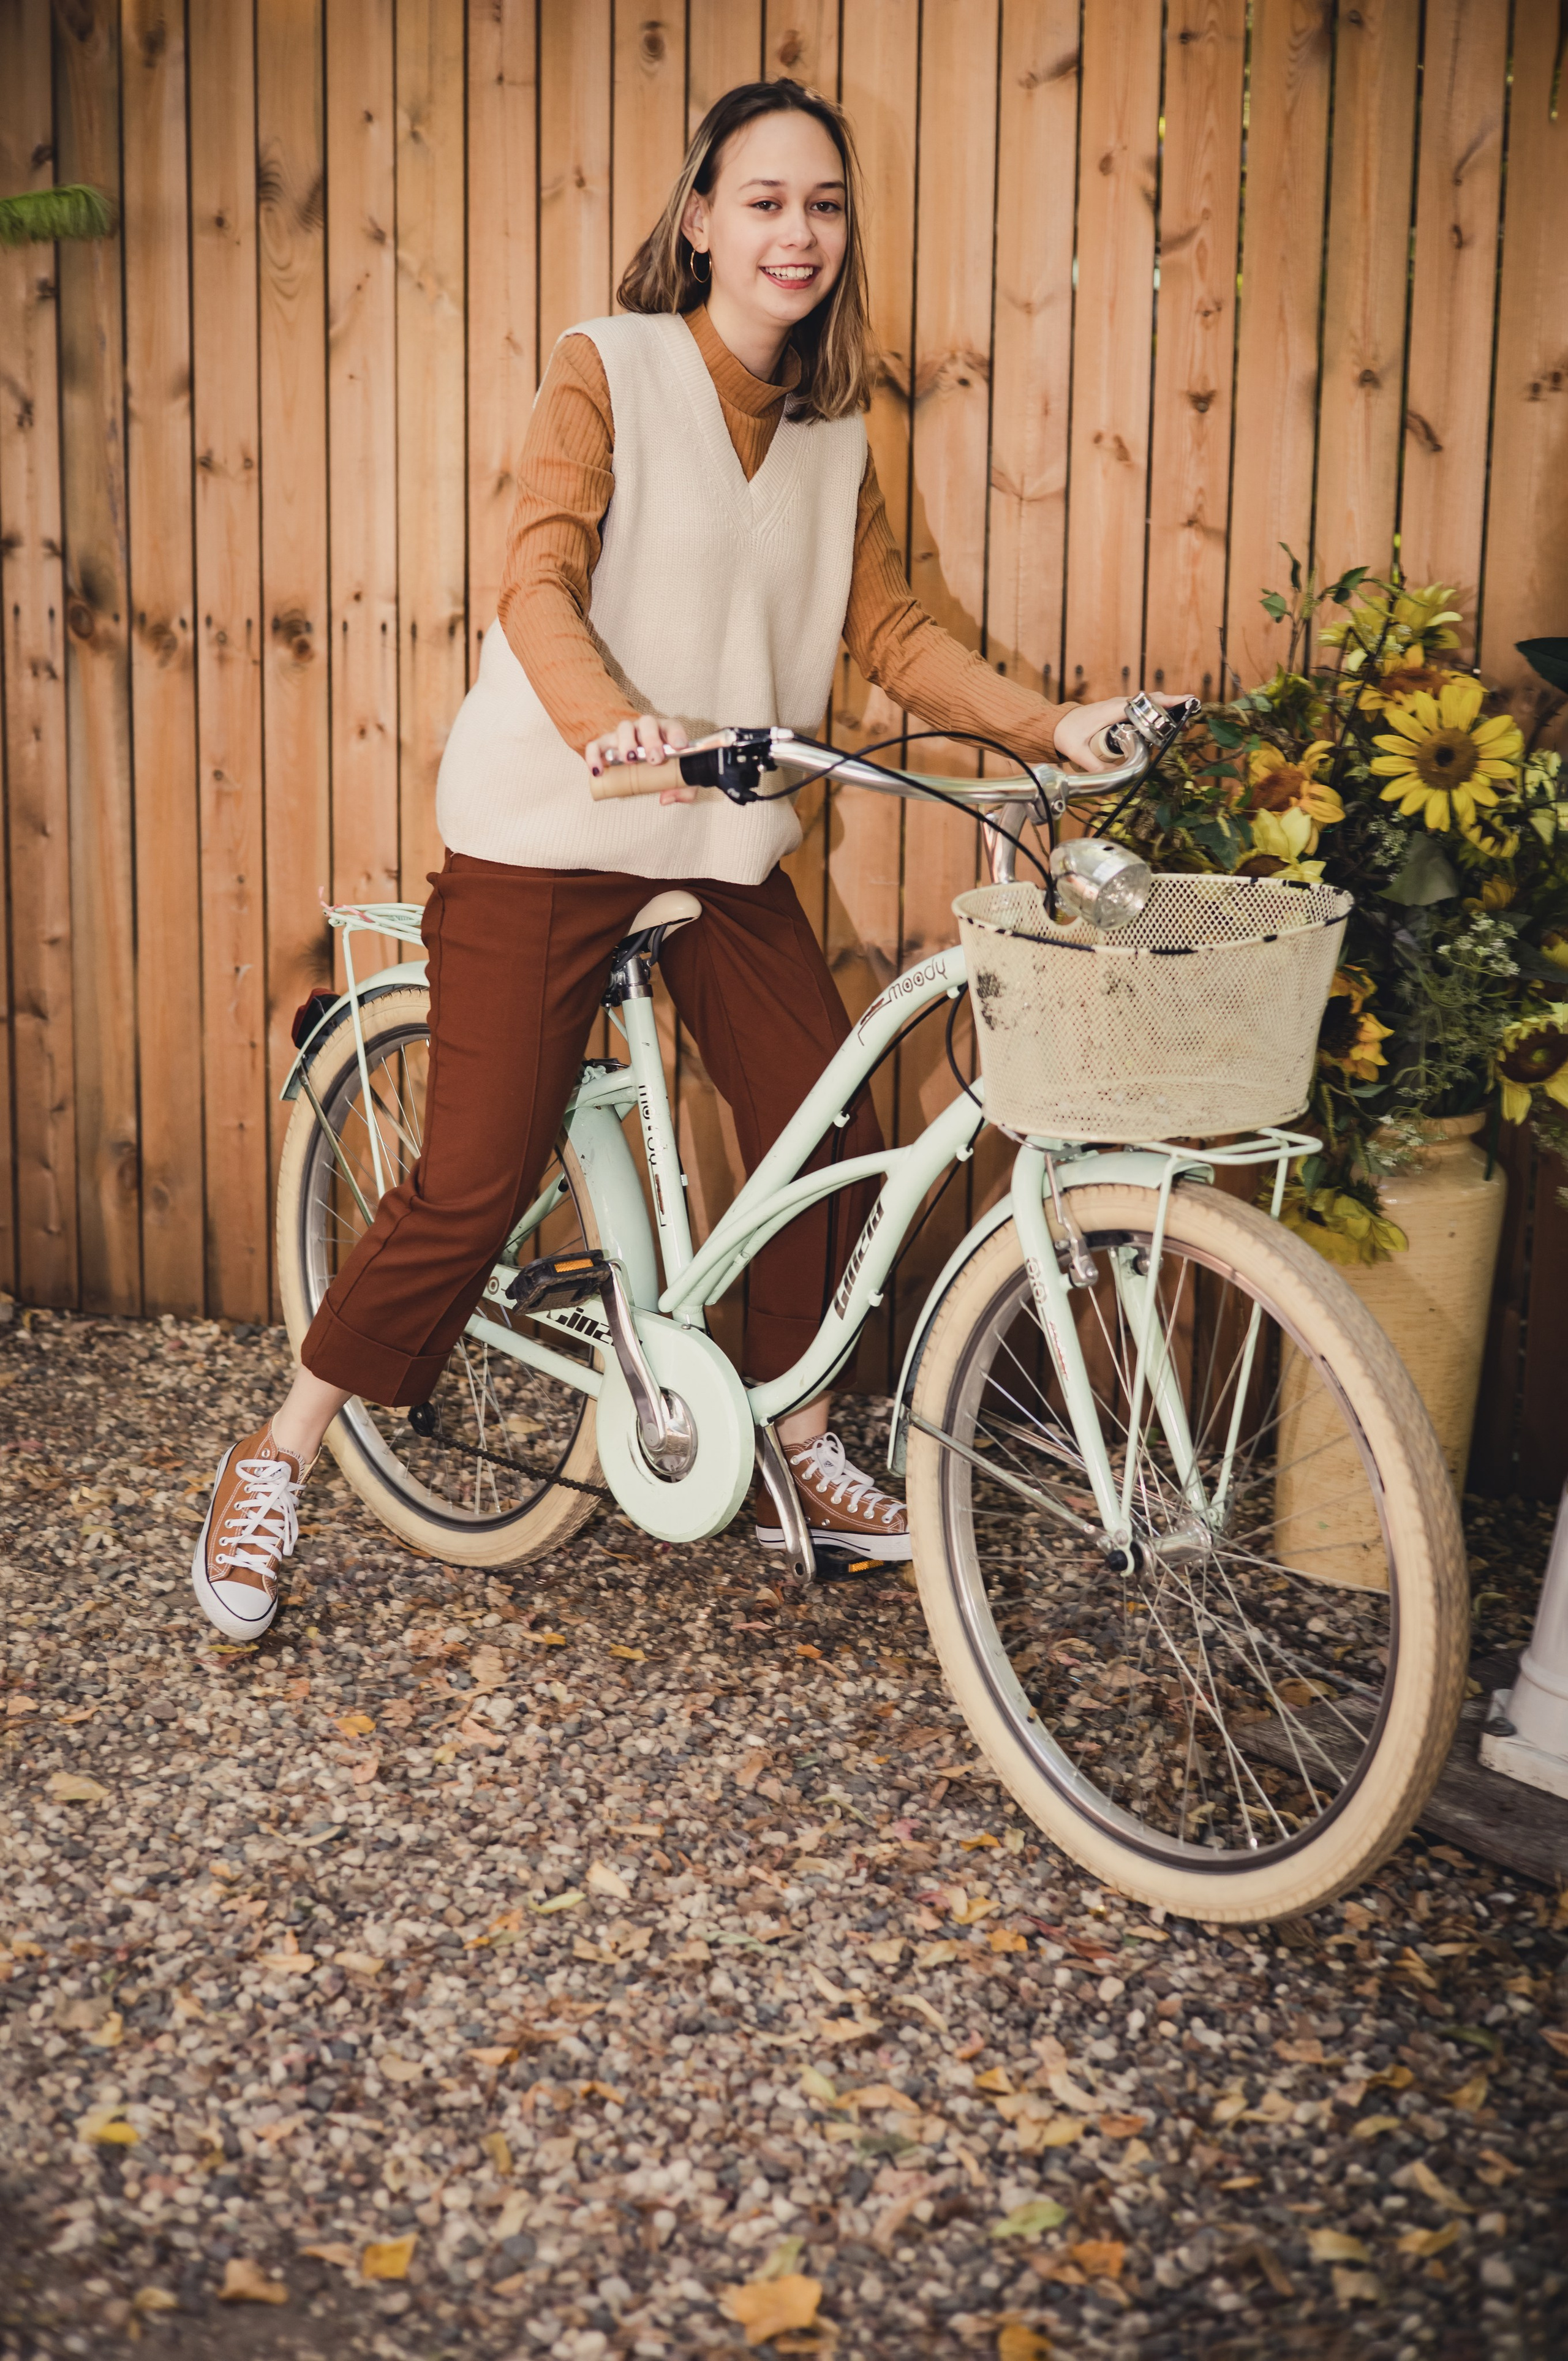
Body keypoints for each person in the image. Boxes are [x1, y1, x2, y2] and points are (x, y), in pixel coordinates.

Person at [192, 77, 1178, 1641]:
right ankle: (279, 1450)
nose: (798, 232)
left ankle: (798, 1443)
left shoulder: (834, 432)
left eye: (824, 205)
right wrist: (611, 725)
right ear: (701, 218)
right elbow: (538, 576)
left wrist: (1051, 726)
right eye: (766, 200)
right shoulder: (609, 365)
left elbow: (890, 630)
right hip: (550, 827)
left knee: (827, 1126)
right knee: (474, 1178)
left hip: (717, 840)